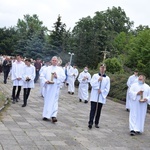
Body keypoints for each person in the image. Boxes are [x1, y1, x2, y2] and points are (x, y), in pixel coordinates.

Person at [40, 56, 66, 123]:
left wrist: (57, 76)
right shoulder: (47, 69)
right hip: (48, 88)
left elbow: (63, 77)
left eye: (55, 60)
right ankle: (46, 115)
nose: (54, 61)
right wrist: (46, 81)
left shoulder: (60, 69)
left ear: (57, 62)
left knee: (54, 101)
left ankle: (53, 116)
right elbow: (42, 76)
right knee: (47, 101)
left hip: (55, 88)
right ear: (51, 61)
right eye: (53, 60)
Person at [88, 64, 110, 129]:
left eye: (104, 68)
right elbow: (91, 83)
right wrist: (98, 81)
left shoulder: (107, 78)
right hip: (95, 95)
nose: (102, 69)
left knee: (98, 110)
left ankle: (96, 122)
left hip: (101, 96)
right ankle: (90, 122)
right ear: (99, 68)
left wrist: (102, 91)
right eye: (101, 67)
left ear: (105, 69)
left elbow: (107, 88)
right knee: (93, 109)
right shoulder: (95, 76)